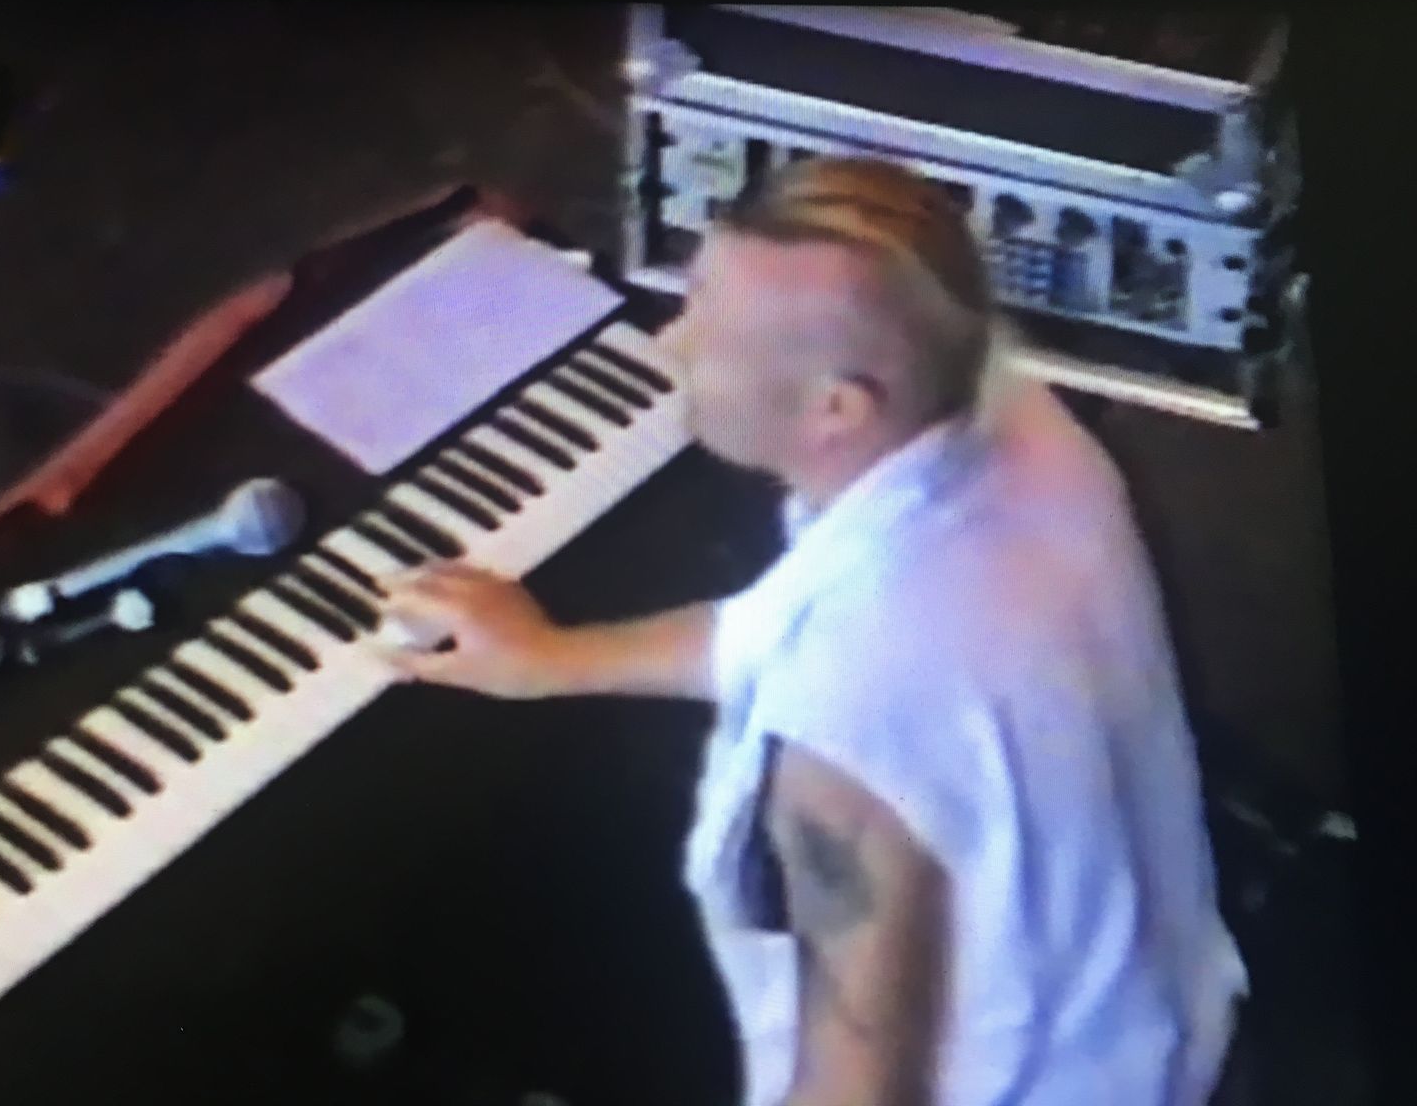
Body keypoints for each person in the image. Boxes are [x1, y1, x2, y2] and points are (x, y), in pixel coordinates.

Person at [375, 157, 1249, 1106]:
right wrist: (552, 659)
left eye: (706, 324)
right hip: (1156, 1018)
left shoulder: (843, 742)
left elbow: (861, 1087)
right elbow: (787, 630)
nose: (672, 342)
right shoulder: (1017, 421)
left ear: (836, 408)